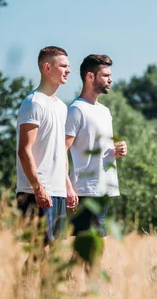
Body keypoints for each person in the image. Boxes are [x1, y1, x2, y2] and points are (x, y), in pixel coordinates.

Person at [16, 45, 76, 248]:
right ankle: (21, 282)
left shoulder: (61, 106)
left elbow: (60, 151)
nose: (68, 70)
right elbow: (24, 151)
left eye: (69, 66)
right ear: (47, 67)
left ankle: (28, 282)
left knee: (52, 254)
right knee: (39, 252)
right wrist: (38, 188)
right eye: (64, 66)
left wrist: (67, 186)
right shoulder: (33, 103)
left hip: (57, 190)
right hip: (36, 192)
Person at [65, 54, 128, 244]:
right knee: (95, 248)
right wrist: (68, 187)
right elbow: (61, 151)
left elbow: (96, 147)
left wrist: (115, 150)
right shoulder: (76, 109)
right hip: (85, 191)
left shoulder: (104, 111)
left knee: (90, 251)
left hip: (103, 189)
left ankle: (70, 276)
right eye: (106, 75)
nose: (111, 79)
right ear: (90, 77)